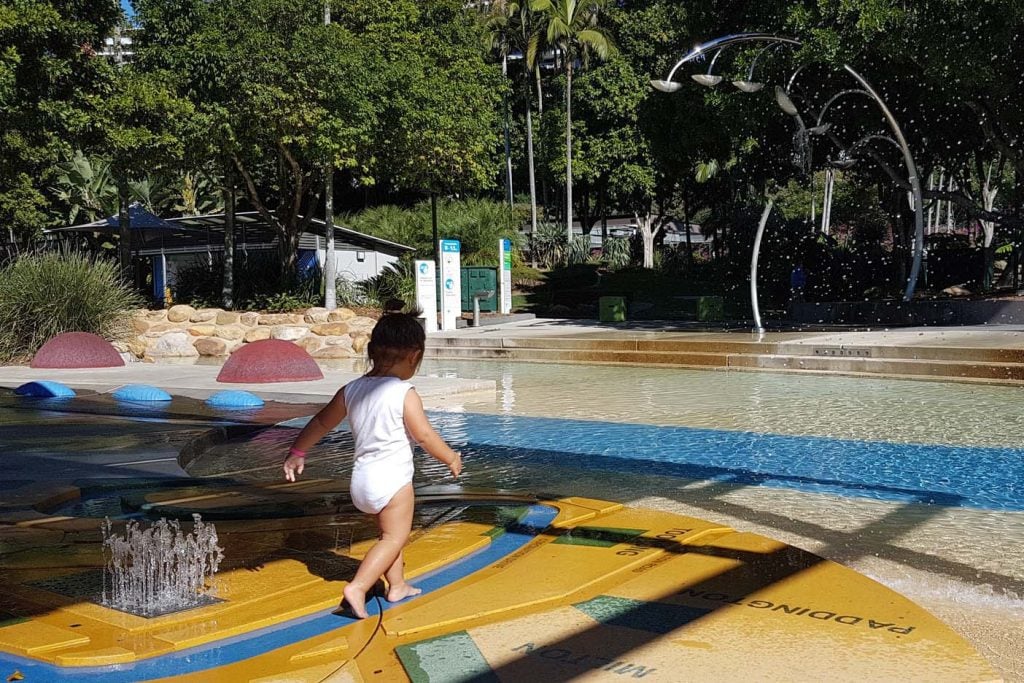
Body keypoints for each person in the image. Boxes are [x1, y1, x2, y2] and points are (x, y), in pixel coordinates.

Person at [283, 312, 463, 618]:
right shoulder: (405, 393)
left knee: (389, 536)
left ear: (372, 351)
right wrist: (450, 456)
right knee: (395, 537)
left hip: (362, 482)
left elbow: (322, 421)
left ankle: (398, 585)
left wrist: (298, 451)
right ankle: (358, 586)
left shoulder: (351, 390)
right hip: (392, 482)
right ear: (414, 356)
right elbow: (424, 435)